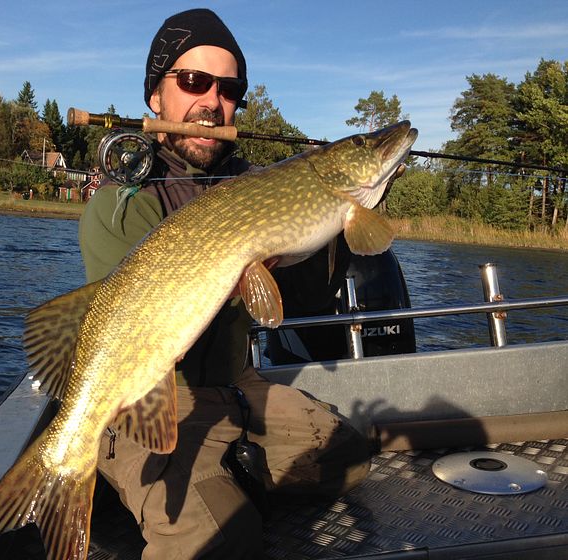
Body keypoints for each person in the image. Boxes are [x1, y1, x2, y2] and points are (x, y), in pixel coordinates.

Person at [78, 8, 371, 559]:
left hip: (239, 386)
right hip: (151, 399)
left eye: (228, 88)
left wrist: (334, 220)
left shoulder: (254, 187)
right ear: (155, 98)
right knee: (219, 543)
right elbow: (135, 336)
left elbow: (300, 304)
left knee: (347, 456)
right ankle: (160, 479)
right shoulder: (124, 203)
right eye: (192, 82)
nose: (211, 101)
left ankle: (234, 469)